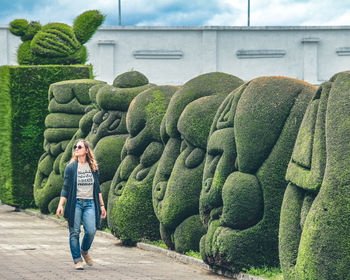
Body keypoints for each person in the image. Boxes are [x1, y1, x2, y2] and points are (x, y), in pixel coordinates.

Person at [56, 139, 106, 270]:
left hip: (90, 203)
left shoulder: (93, 167)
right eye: (75, 147)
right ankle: (77, 259)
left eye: (79, 147)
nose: (76, 149)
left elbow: (97, 188)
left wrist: (102, 205)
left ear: (86, 150)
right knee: (75, 232)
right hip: (75, 203)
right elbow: (65, 188)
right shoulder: (71, 167)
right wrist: (60, 205)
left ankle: (84, 250)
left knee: (91, 230)